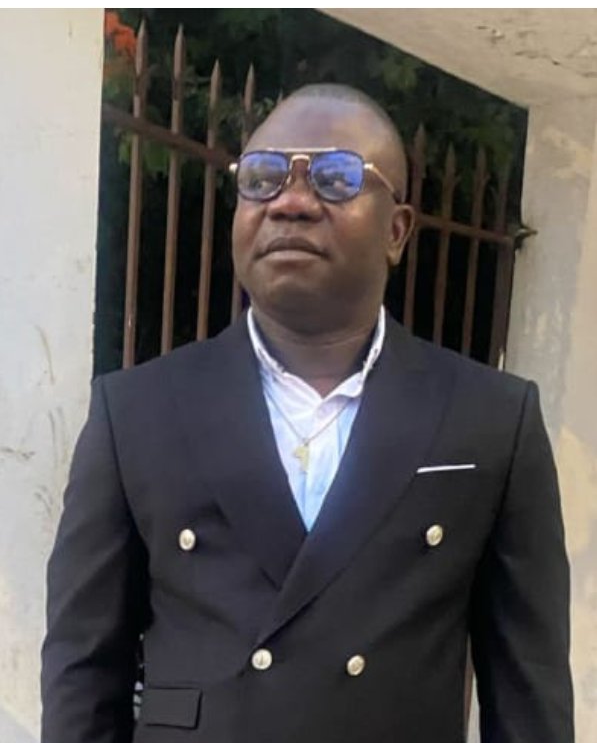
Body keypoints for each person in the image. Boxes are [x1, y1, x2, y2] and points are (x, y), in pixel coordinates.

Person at [41, 84, 574, 743]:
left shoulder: (491, 418)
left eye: (334, 178)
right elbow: (83, 671)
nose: (290, 202)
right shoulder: (135, 412)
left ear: (397, 230)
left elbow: (528, 696)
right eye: (261, 178)